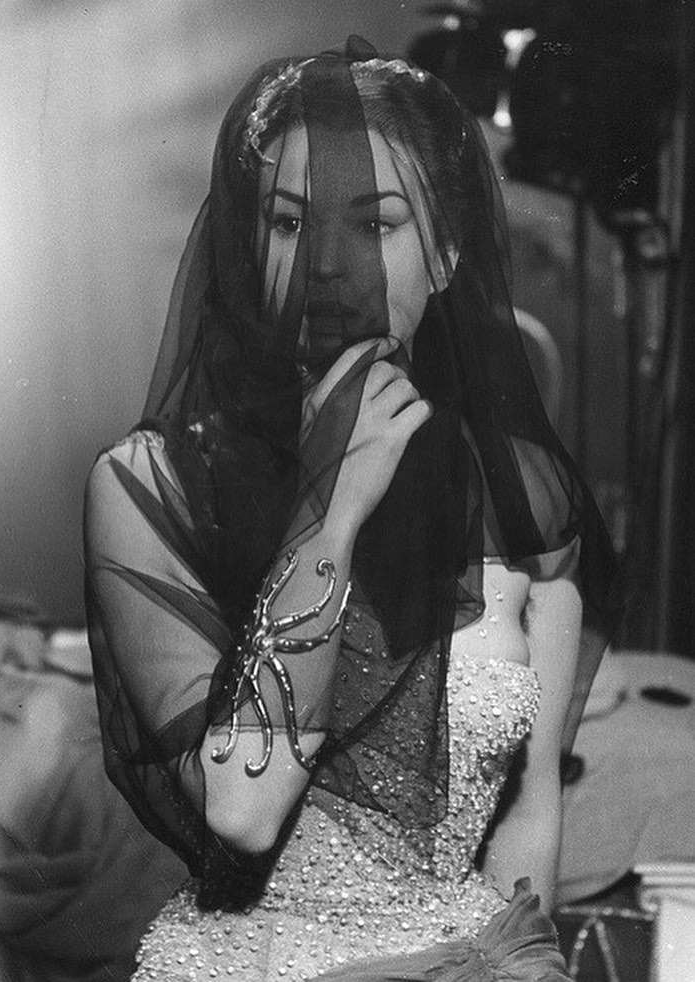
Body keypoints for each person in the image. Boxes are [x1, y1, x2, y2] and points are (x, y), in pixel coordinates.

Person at [84, 37, 621, 981]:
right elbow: (243, 811)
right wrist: (330, 508)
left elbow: (529, 819)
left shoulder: (524, 493)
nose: (329, 268)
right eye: (289, 222)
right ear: (249, 246)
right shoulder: (148, 484)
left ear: (445, 253)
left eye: (376, 223)